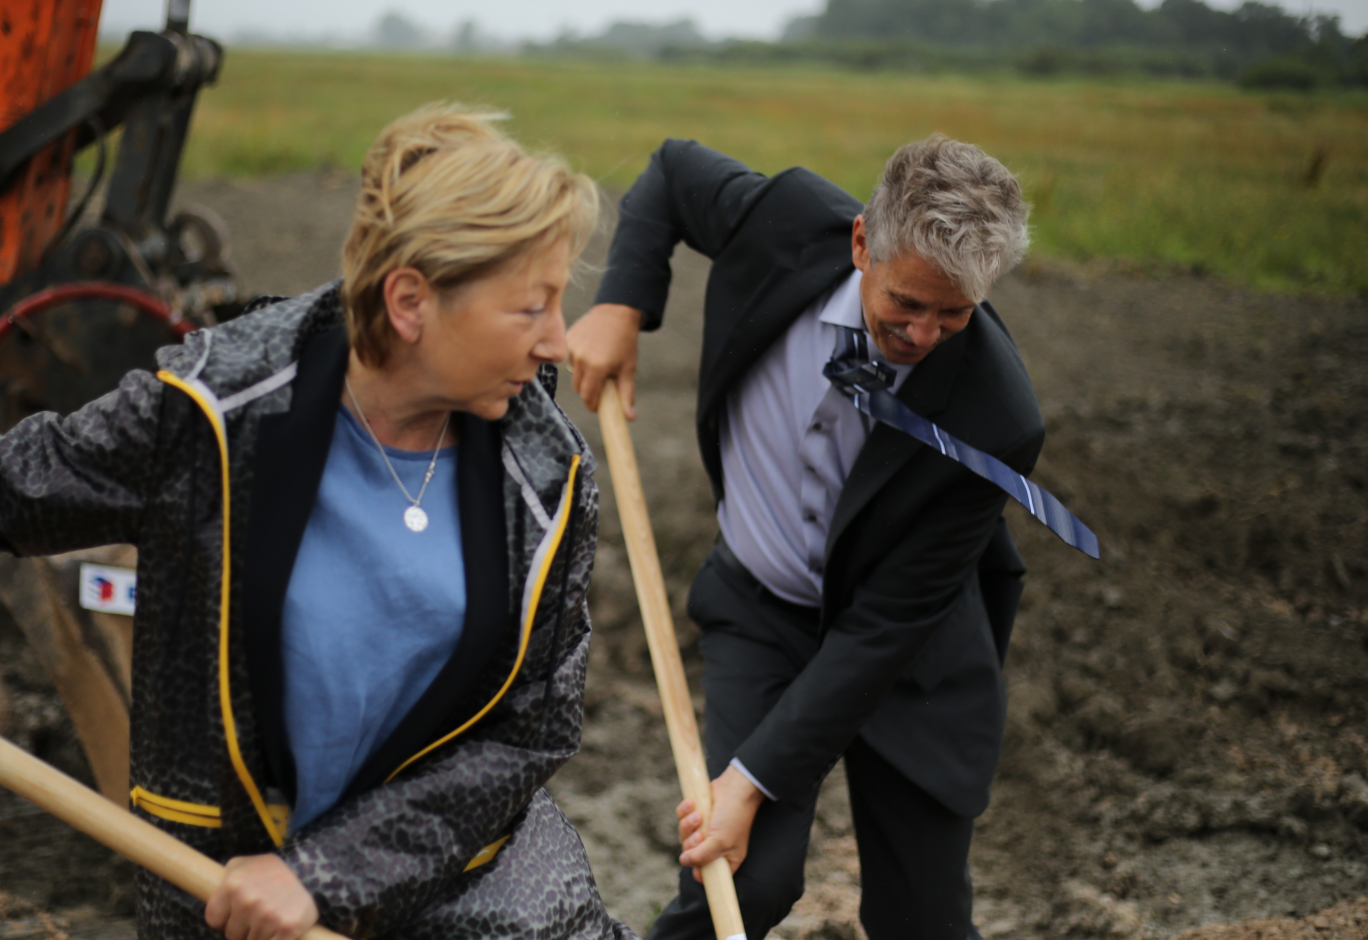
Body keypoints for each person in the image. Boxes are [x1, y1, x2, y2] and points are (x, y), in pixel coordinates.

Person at [0, 104, 637, 940]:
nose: (557, 341)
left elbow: (530, 733)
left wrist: (325, 875)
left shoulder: (548, 478)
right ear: (410, 301)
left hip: (466, 904)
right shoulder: (209, 415)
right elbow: (16, 487)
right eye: (531, 309)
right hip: (224, 899)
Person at [568, 136, 1091, 939]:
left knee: (922, 920)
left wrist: (749, 781)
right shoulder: (785, 221)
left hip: (909, 654)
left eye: (953, 315)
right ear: (860, 243)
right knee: (740, 884)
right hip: (761, 605)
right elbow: (672, 175)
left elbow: (884, 627)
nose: (922, 334)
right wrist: (620, 304)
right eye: (905, 304)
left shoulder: (998, 417)